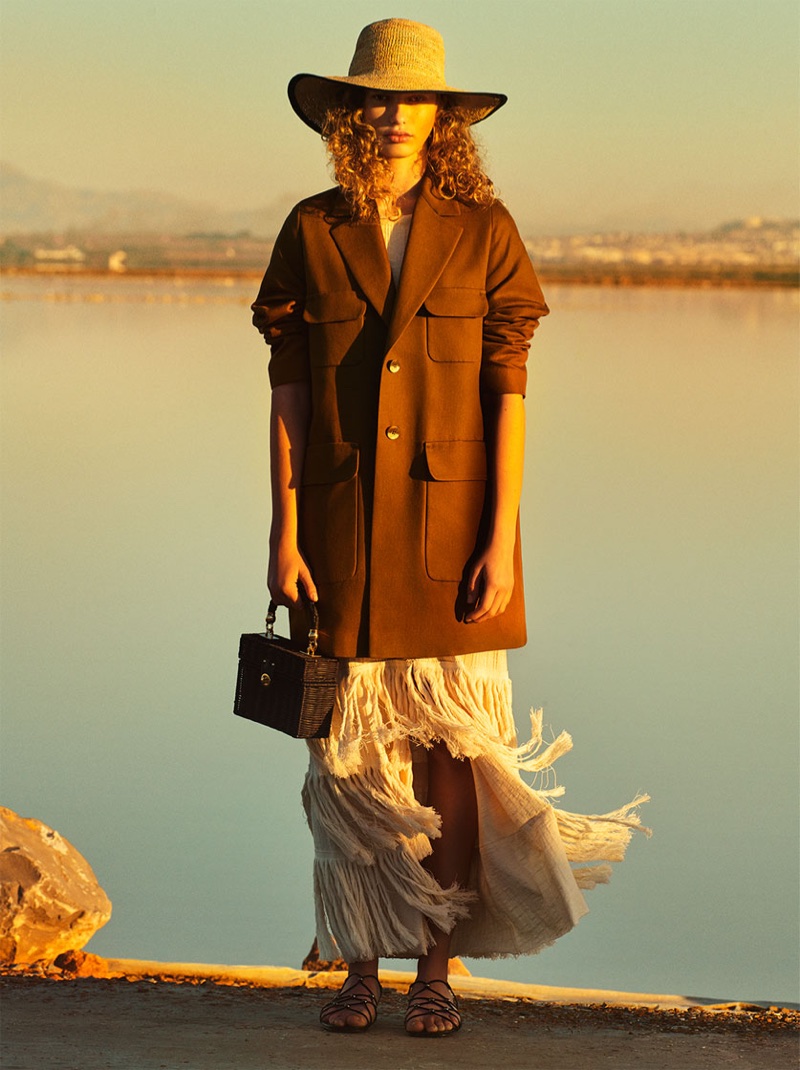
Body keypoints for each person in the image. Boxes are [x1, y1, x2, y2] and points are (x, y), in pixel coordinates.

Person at [252, 18, 647, 1037]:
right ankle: (357, 966)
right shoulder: (310, 229)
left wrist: (497, 537)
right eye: (373, 99)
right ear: (348, 113)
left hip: (452, 532)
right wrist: (283, 528)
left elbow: (509, 388)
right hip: (338, 534)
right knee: (343, 763)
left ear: (440, 117)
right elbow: (289, 390)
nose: (389, 116)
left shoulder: (483, 230)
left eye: (409, 100)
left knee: (449, 758)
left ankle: (434, 964)